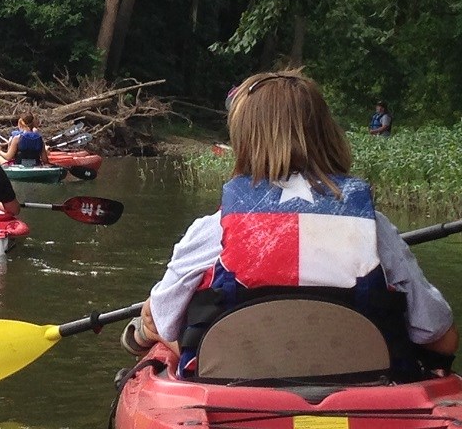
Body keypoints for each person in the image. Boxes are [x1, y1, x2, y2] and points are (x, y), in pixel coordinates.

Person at [123, 70, 457, 379]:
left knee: (157, 320)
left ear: (243, 143)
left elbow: (165, 322)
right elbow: (441, 337)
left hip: (232, 389)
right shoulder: (375, 231)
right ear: (329, 135)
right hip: (365, 393)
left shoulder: (211, 231)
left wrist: (155, 326)